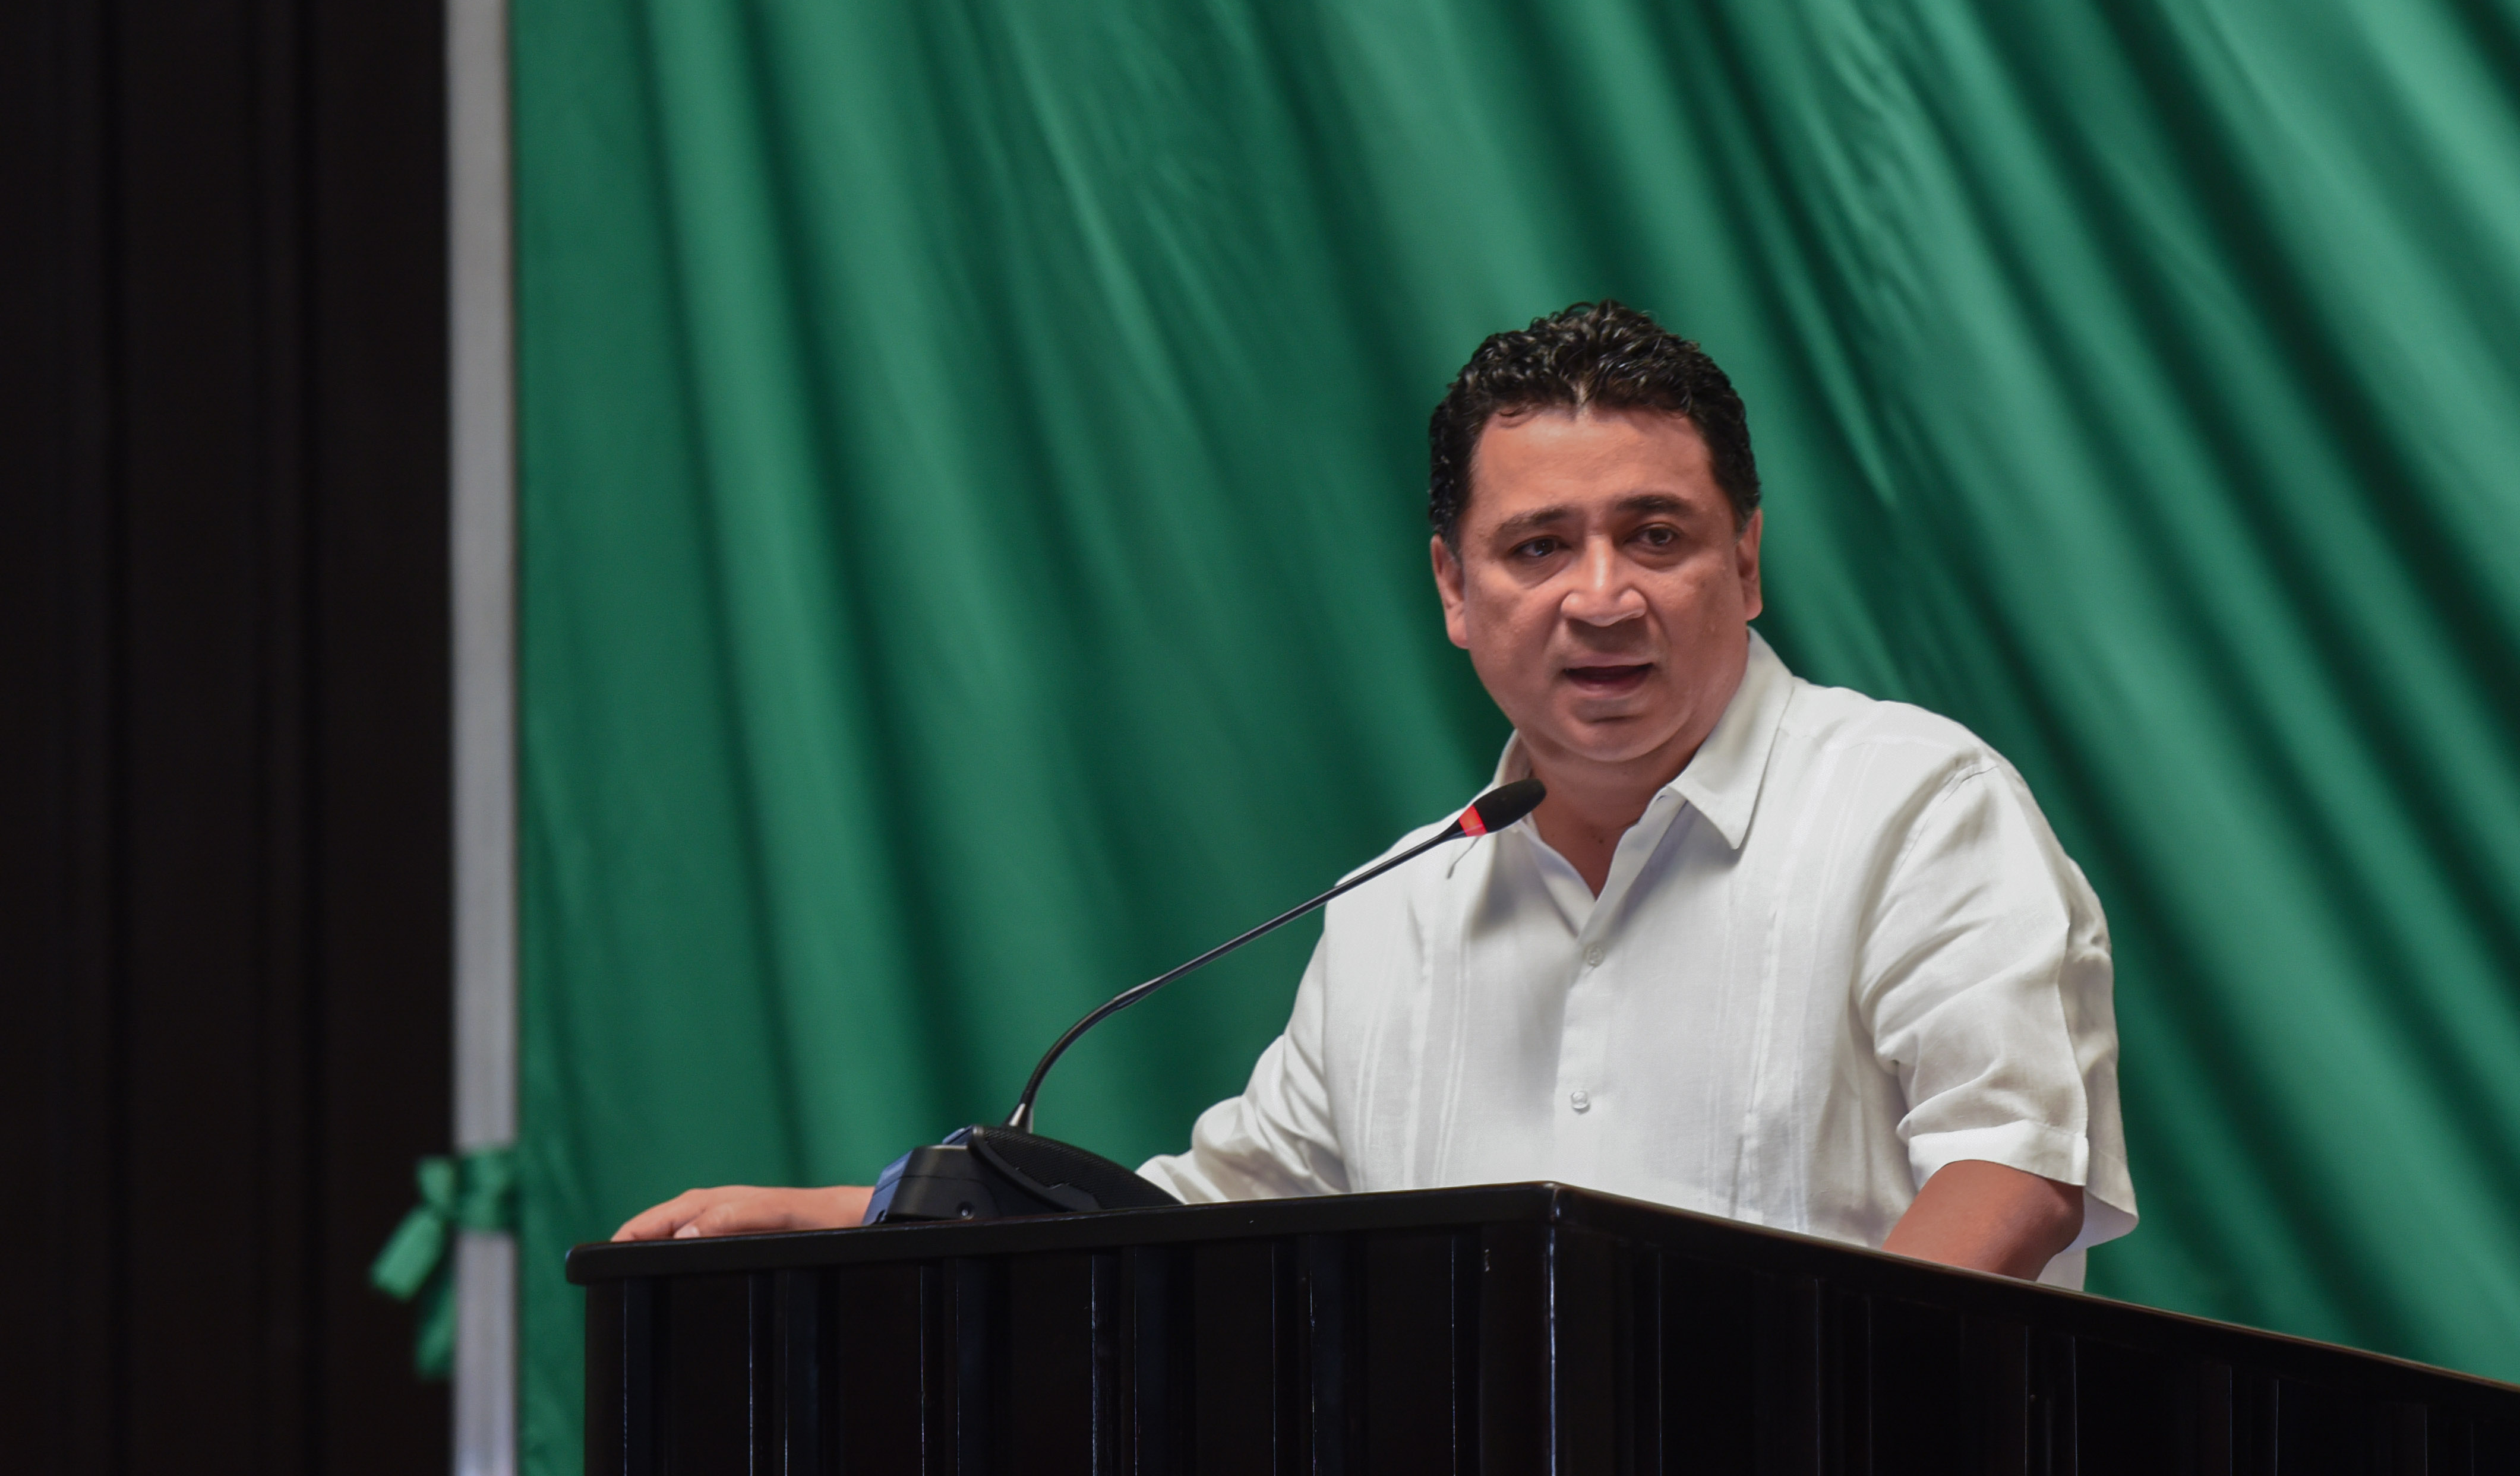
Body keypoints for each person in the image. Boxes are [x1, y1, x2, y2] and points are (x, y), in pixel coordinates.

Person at [617, 302, 2135, 1284]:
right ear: (1454, 592)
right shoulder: (1404, 907)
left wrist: (1789, 1413)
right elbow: (1211, 1219)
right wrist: (858, 1218)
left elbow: (2013, 1173)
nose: (1602, 596)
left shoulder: (1914, 809)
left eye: (1657, 536)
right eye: (1538, 548)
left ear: (1745, 562)